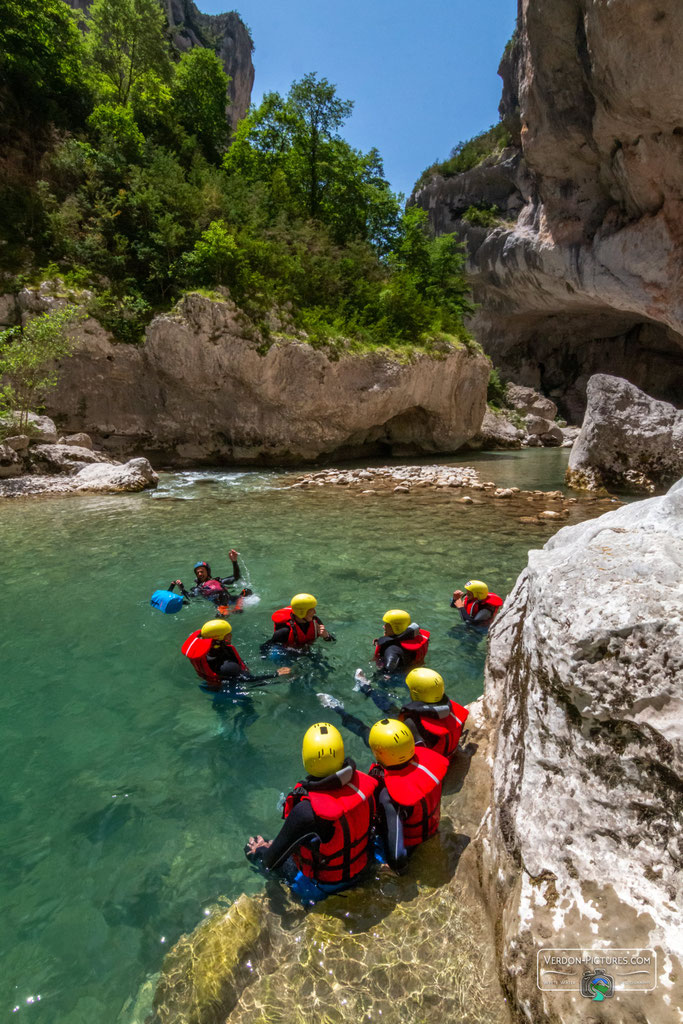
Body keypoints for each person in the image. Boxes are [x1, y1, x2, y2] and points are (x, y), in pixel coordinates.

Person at [244, 722, 377, 904]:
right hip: (363, 867)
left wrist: (260, 851)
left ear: (306, 758)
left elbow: (271, 863)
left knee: (255, 852)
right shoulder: (364, 785)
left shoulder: (306, 812)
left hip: (324, 887)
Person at [318, 667, 468, 759]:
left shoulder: (412, 724)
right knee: (391, 710)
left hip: (408, 752)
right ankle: (366, 688)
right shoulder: (447, 709)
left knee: (367, 732)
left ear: (415, 693)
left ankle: (338, 709)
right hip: (442, 753)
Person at [368, 718, 449, 873]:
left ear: (379, 753)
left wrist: (394, 868)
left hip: (410, 845)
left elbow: (397, 857)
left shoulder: (389, 794)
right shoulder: (430, 762)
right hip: (431, 828)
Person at [182, 619, 290, 691]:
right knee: (249, 708)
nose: (231, 636)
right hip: (225, 690)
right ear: (220, 639)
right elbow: (249, 680)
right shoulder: (228, 666)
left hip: (210, 684)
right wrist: (276, 674)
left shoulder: (206, 653)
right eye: (228, 635)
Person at [169, 550, 252, 612]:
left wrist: (234, 561)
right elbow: (191, 597)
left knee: (247, 591)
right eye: (197, 573)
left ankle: (237, 608)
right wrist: (182, 589)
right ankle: (223, 612)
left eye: (202, 571)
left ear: (208, 572)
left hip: (230, 599)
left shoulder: (219, 581)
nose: (200, 574)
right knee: (222, 594)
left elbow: (236, 577)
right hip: (219, 603)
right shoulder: (198, 588)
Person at [262, 593, 333, 651]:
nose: (315, 612)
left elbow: (332, 641)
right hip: (287, 652)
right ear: (302, 613)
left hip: (307, 650)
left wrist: (326, 636)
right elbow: (266, 647)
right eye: (311, 610)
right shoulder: (284, 631)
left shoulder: (316, 622)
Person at [373, 609, 430, 676]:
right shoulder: (414, 638)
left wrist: (377, 677)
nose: (383, 626)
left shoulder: (392, 649)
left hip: (400, 676)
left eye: (387, 625)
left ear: (396, 628)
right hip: (417, 670)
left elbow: (388, 670)